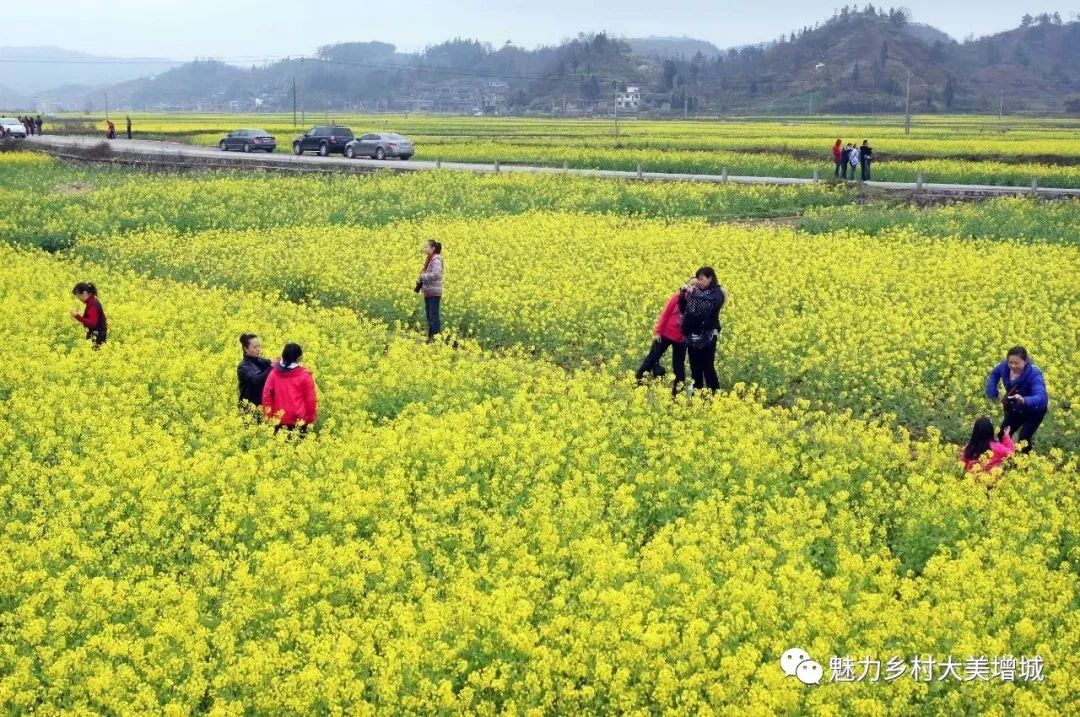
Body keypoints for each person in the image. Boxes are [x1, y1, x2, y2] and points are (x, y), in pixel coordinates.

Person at [985, 345, 1049, 453]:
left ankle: (1024, 463)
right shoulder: (1004, 366)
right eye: (1011, 362)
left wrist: (1025, 400)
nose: (1013, 366)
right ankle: (1006, 456)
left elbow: (1041, 396)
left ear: (1025, 361)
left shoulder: (1034, 374)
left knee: (1024, 439)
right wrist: (992, 392)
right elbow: (994, 375)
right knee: (1002, 434)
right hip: (1016, 408)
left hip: (1034, 411)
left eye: (1017, 363)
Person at [680, 267, 727, 394]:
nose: (699, 282)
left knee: (708, 368)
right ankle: (697, 398)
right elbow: (682, 307)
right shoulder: (694, 292)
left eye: (702, 279)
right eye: (698, 279)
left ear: (710, 278)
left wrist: (694, 293)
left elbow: (707, 308)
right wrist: (686, 292)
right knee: (695, 369)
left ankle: (716, 397)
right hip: (692, 335)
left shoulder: (717, 293)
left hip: (708, 335)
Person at [635, 285, 687, 396]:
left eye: (695, 286)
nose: (692, 287)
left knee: (679, 367)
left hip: (681, 339)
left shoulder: (696, 303)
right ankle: (638, 384)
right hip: (665, 334)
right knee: (651, 359)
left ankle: (677, 395)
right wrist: (658, 331)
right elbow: (665, 314)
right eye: (691, 284)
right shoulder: (676, 297)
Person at [261, 343, 317, 435]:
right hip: (299, 421)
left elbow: (266, 396)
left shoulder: (274, 373)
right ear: (299, 358)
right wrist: (311, 418)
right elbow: (310, 400)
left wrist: (268, 416)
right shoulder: (305, 376)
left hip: (278, 420)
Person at [416, 239, 443, 341]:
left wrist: (423, 277)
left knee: (433, 317)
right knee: (429, 316)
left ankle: (437, 340)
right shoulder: (430, 258)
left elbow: (436, 274)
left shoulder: (436, 260)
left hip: (434, 293)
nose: (424, 249)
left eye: (426, 247)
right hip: (428, 292)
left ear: (433, 248)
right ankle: (431, 338)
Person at [237, 333, 273, 412]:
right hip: (248, 410)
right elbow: (256, 380)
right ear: (246, 349)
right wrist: (271, 367)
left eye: (259, 346)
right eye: (255, 347)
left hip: (262, 407)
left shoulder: (263, 361)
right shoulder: (243, 367)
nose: (258, 349)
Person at [70, 282, 107, 346]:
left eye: (78, 295)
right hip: (97, 334)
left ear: (84, 293)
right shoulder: (92, 301)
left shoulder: (93, 304)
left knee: (95, 354)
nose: (78, 298)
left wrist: (77, 316)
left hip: (97, 336)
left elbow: (92, 323)